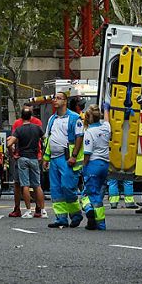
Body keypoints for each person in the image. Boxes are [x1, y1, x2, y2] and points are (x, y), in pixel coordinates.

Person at [42, 92, 85, 229]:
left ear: (65, 101)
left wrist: (74, 155)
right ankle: (61, 218)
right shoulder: (52, 119)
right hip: (54, 159)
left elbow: (79, 137)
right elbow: (49, 139)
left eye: (59, 98)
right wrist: (46, 157)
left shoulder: (74, 118)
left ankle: (76, 214)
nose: (55, 100)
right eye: (54, 98)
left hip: (67, 159)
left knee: (67, 187)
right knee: (55, 190)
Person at [8, 106, 43, 219]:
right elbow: (44, 138)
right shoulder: (37, 125)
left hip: (22, 156)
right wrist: (43, 153)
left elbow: (11, 142)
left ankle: (28, 210)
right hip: (34, 156)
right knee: (36, 184)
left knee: (24, 184)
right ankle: (41, 209)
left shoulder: (18, 126)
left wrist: (12, 153)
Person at [79, 106, 111, 230]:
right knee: (97, 192)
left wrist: (83, 166)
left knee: (92, 195)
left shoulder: (89, 132)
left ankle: (96, 218)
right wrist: (106, 108)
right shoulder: (106, 127)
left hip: (93, 164)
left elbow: (87, 153)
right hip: (105, 164)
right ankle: (93, 215)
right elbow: (107, 120)